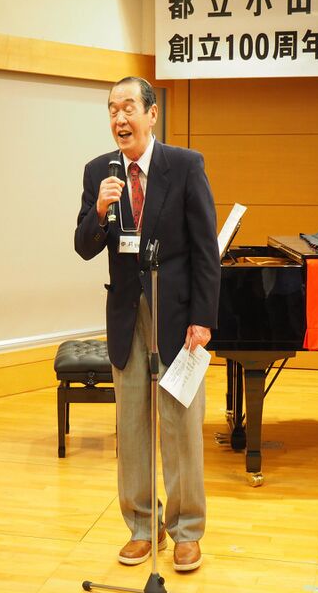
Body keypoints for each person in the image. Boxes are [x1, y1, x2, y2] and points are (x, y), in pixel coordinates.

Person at [75, 76, 220, 572]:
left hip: (176, 316)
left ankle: (187, 530)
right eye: (112, 110)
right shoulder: (99, 171)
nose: (120, 118)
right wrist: (99, 209)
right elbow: (84, 245)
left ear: (152, 114)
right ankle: (142, 526)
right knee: (132, 426)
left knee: (181, 426)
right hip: (126, 315)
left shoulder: (185, 165)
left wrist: (202, 319)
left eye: (129, 107)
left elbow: (205, 251)